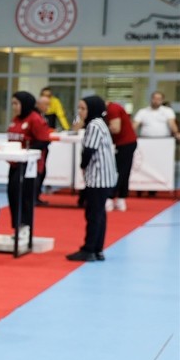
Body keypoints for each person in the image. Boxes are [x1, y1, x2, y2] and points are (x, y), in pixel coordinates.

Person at [68, 96, 118, 262]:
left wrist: (82, 166)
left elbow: (88, 151)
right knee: (99, 214)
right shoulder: (100, 123)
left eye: (83, 109)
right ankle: (97, 249)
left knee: (93, 214)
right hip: (104, 177)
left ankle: (89, 249)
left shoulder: (94, 125)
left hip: (98, 177)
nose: (80, 112)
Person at [6, 91, 53, 242]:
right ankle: (17, 226)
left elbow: (44, 140)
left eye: (16, 103)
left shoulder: (35, 119)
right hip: (15, 164)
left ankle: (26, 226)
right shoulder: (15, 120)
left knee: (25, 196)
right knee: (12, 194)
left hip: (29, 166)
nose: (14, 107)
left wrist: (27, 151)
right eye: (13, 103)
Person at [105, 100, 136, 212]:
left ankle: (110, 197)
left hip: (125, 143)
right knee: (123, 171)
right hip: (126, 142)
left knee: (119, 172)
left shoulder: (112, 109)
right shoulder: (113, 108)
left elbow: (115, 128)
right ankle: (121, 198)